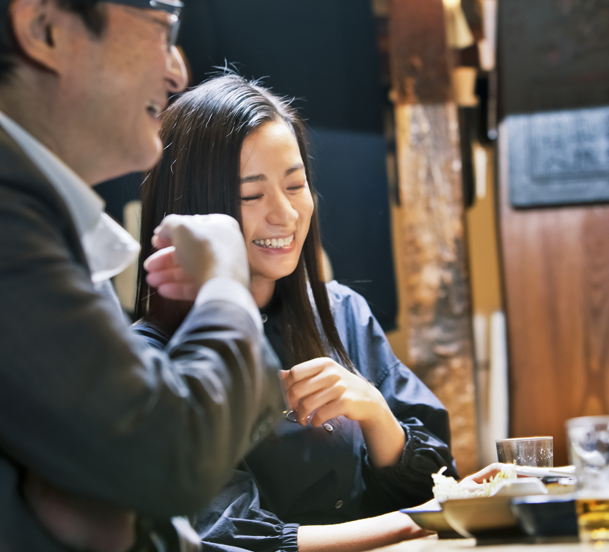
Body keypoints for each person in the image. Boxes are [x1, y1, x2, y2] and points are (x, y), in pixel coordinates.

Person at [0, 2, 285, 551]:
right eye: (162, 28)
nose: (177, 69)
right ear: (45, 29)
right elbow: (170, 457)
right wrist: (225, 280)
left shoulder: (5, 197)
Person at [134, 74, 458, 552]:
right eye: (250, 195)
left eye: (295, 184)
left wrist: (375, 412)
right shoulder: (154, 357)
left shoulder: (341, 309)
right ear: (195, 207)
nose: (284, 214)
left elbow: (439, 481)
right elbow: (222, 538)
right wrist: (415, 524)